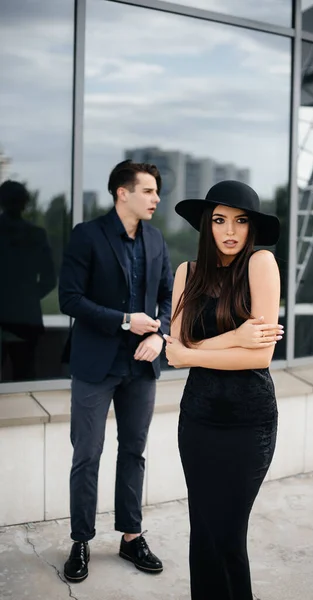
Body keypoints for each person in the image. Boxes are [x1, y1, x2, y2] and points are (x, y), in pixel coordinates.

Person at [164, 180, 282, 600]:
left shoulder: (260, 264)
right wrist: (236, 337)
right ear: (206, 226)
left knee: (228, 536)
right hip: (197, 421)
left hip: (248, 424)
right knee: (203, 534)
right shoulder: (187, 273)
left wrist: (198, 350)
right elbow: (174, 354)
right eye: (219, 220)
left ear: (252, 228)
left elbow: (259, 359)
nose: (229, 230)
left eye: (240, 221)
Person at [58, 160, 173, 583]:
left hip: (142, 366)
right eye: (148, 191)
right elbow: (69, 299)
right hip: (95, 364)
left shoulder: (158, 240)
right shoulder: (87, 235)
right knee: (87, 455)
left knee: (134, 452)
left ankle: (131, 537)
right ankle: (81, 541)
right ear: (122, 192)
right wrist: (125, 321)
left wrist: (159, 335)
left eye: (156, 191)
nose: (156, 199)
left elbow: (166, 297)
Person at [0, 180, 56, 381]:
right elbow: (49, 279)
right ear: (25, 203)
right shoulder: (36, 235)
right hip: (26, 318)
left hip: (16, 316)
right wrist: (28, 297)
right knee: (25, 379)